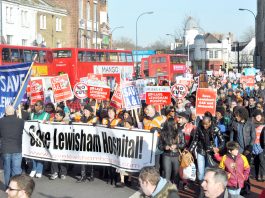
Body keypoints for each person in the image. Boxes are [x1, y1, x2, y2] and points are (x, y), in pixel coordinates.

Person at [0, 106, 25, 187]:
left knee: (7, 169)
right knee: (16, 169)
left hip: (6, 148)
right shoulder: (21, 121)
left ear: (5, 112)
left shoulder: (1, 121)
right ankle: (15, 187)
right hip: (17, 148)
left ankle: (8, 186)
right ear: (14, 112)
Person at [159, 118, 185, 186]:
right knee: (167, 174)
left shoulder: (179, 132)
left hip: (176, 156)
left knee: (176, 174)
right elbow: (160, 145)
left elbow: (183, 144)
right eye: (174, 124)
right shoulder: (163, 133)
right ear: (170, 125)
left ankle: (175, 190)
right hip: (166, 155)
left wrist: (176, 146)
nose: (176, 125)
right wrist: (165, 147)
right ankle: (166, 192)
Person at [29, 100, 50, 178]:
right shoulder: (31, 114)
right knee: (33, 154)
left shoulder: (46, 115)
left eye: (36, 105)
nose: (35, 106)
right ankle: (34, 169)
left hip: (42, 137)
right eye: (35, 105)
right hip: (33, 136)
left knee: (40, 154)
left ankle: (39, 170)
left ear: (41, 106)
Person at [49, 110, 68, 180]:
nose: (55, 116)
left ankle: (63, 173)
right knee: (54, 158)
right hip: (54, 143)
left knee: (62, 158)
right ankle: (54, 172)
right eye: (55, 115)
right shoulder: (53, 122)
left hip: (63, 143)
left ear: (62, 116)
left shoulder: (65, 123)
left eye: (57, 115)